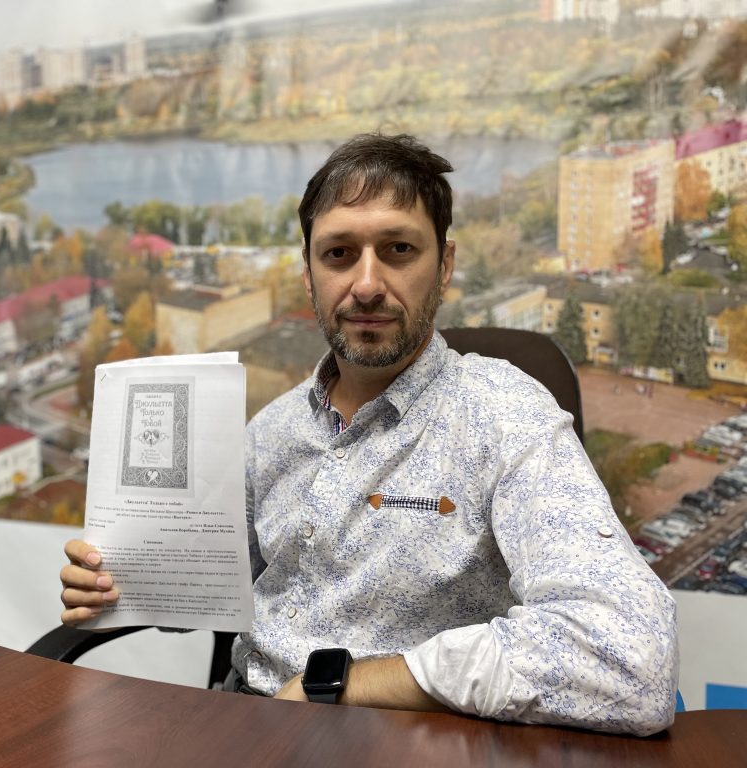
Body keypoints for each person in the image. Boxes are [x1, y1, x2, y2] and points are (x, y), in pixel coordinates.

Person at [60, 133, 678, 736]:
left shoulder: (504, 417)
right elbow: (209, 588)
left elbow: (633, 657)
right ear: (309, 275)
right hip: (248, 724)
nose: (366, 285)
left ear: (445, 266)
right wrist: (118, 585)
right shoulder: (270, 431)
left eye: (399, 249)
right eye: (338, 254)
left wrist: (341, 685)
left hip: (404, 740)